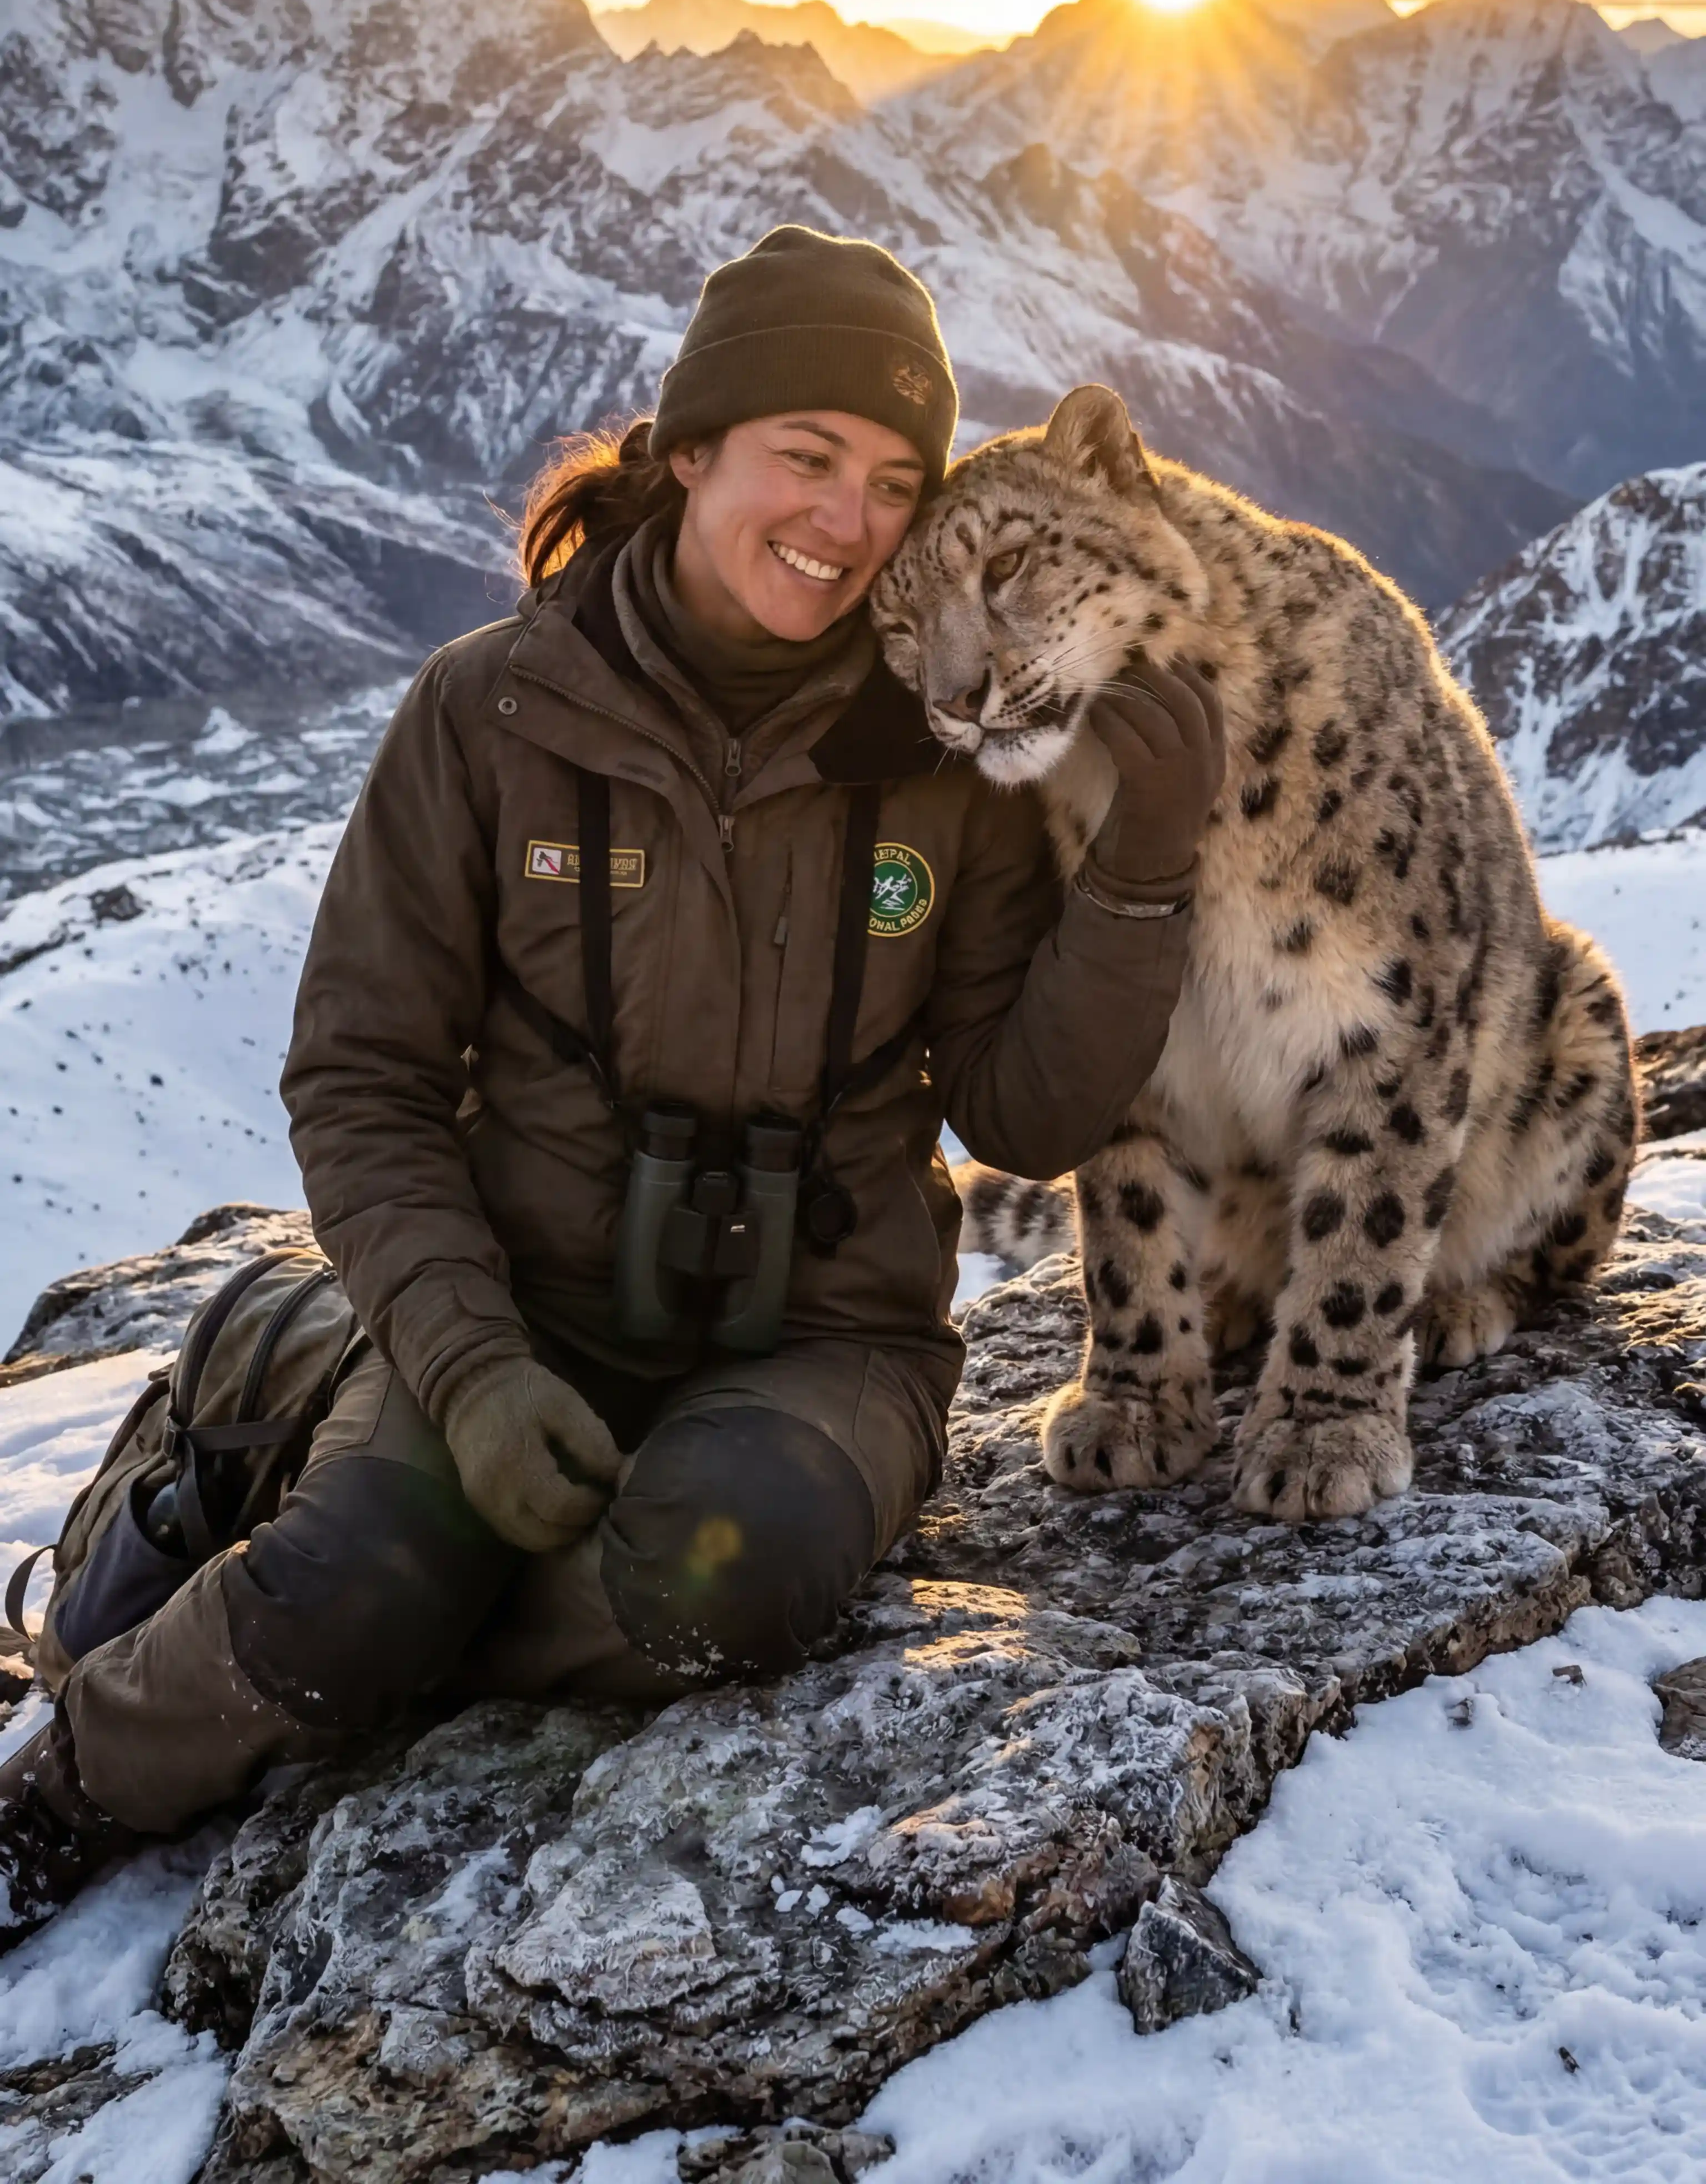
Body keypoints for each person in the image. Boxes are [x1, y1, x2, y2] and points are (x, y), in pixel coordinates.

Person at [0, 225, 1223, 1942]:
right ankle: (52, 1792)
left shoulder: (948, 764)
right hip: (522, 1303)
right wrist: (470, 1364)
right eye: (804, 456)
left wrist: (1139, 887)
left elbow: (1024, 1119)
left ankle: (345, 1556)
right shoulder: (490, 715)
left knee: (731, 1577)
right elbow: (362, 1078)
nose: (846, 522)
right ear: (694, 449)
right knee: (367, 1570)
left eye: (892, 481)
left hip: (831, 1340)